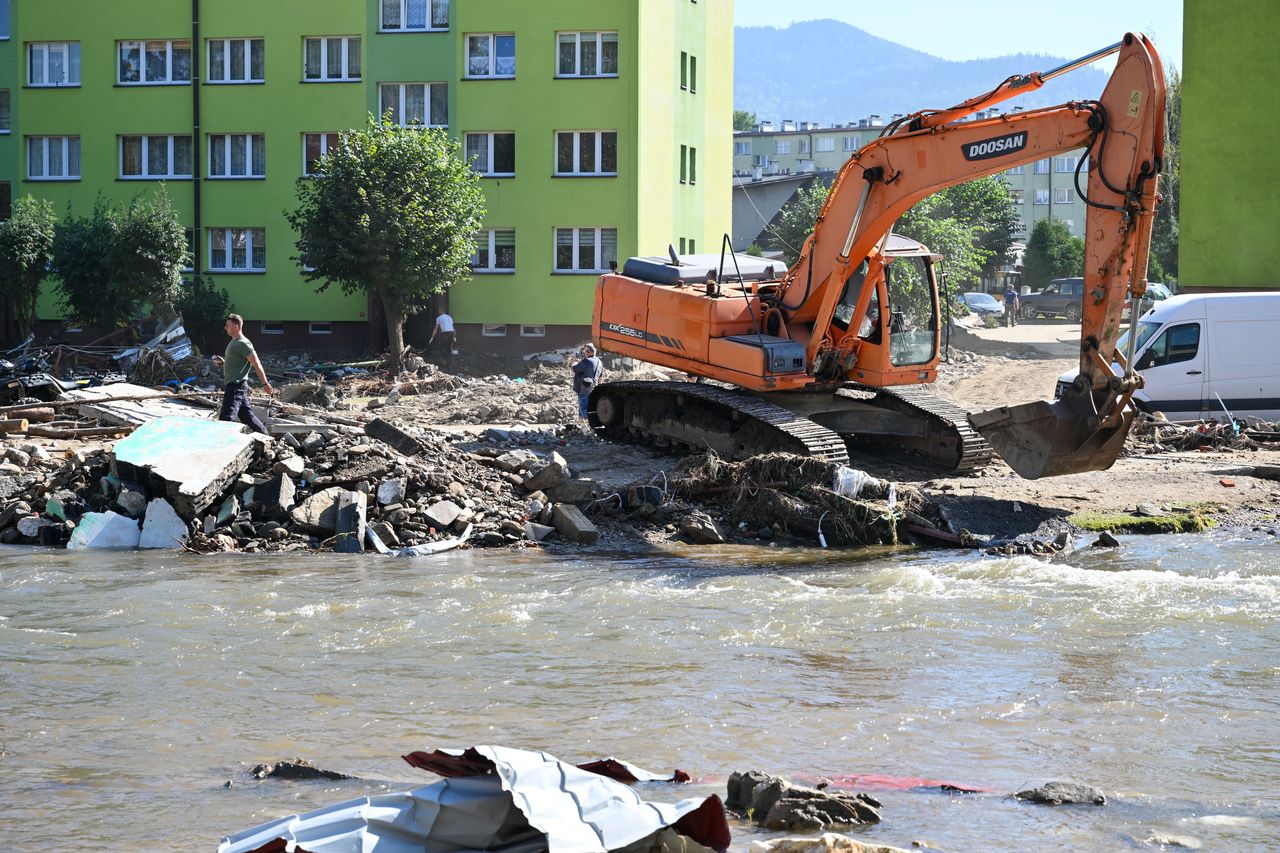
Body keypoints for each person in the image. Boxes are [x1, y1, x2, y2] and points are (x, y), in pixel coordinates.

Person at [212, 314, 273, 434]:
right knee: (246, 416)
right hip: (236, 385)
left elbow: (256, 363)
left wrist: (265, 383)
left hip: (236, 385)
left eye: (227, 325)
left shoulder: (243, 343)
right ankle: (266, 436)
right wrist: (224, 362)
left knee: (226, 418)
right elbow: (238, 362)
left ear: (236, 326)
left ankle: (223, 443)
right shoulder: (234, 342)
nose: (225, 327)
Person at [571, 343, 604, 421]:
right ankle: (582, 423)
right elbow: (600, 378)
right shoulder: (599, 362)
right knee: (590, 407)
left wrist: (574, 363)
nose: (584, 353)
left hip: (584, 388)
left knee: (583, 408)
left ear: (588, 352)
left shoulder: (586, 361)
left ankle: (588, 423)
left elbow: (574, 369)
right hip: (594, 388)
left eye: (585, 352)